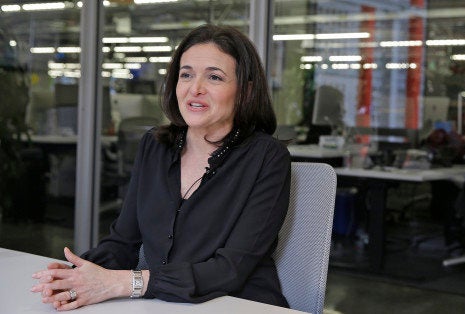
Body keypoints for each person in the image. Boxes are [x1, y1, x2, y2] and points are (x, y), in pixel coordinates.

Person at [31, 24, 291, 310]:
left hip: (239, 304)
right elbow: (123, 242)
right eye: (186, 75)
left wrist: (123, 283)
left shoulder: (268, 157)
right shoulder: (155, 146)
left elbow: (231, 269)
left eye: (214, 77)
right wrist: (77, 275)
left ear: (245, 90)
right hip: (163, 304)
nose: (195, 88)